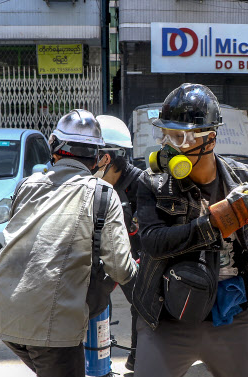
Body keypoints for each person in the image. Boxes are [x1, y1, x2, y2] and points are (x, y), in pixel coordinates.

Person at [132, 83, 248, 376]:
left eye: (178, 137)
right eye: (165, 134)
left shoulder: (246, 179)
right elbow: (152, 242)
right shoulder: (153, 184)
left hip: (231, 320)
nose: (167, 145)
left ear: (209, 140)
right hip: (167, 321)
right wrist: (212, 223)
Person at [0, 109, 138, 377]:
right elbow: (121, 269)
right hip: (51, 326)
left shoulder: (27, 185)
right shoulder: (103, 193)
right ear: (98, 157)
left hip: (4, 311)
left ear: (53, 145)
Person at [95, 115, 143, 370]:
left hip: (136, 258)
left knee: (142, 304)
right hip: (105, 255)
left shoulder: (142, 185)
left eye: (96, 157)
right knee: (97, 300)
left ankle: (139, 359)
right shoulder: (94, 186)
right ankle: (99, 359)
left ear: (110, 158)